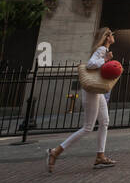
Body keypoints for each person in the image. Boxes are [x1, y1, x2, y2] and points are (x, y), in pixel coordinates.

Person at [48, 28, 117, 171]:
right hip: (92, 91)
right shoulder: (102, 49)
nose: (113, 36)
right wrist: (105, 59)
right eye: (111, 34)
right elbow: (91, 64)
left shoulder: (103, 50)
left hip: (97, 91)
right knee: (88, 127)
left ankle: (100, 156)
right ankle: (56, 152)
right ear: (106, 37)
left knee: (104, 121)